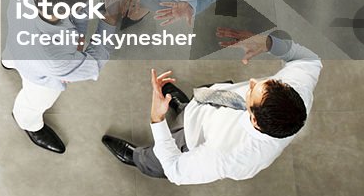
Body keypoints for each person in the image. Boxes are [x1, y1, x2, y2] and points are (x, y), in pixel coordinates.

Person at [101, 28, 322, 184]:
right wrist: (268, 44)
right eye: (267, 82)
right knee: (200, 100)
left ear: (254, 119)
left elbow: (176, 170)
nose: (252, 81)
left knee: (157, 159)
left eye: (251, 91)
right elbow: (310, 60)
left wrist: (157, 120)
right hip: (215, 100)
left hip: (189, 138)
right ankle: (185, 107)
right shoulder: (297, 89)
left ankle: (139, 158)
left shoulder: (231, 155)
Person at [1, 0, 126, 154]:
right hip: (41, 76)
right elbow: (95, 61)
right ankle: (28, 122)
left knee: (12, 53)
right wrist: (111, 16)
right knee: (36, 102)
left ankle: (8, 61)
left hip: (16, 36)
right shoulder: (54, 57)